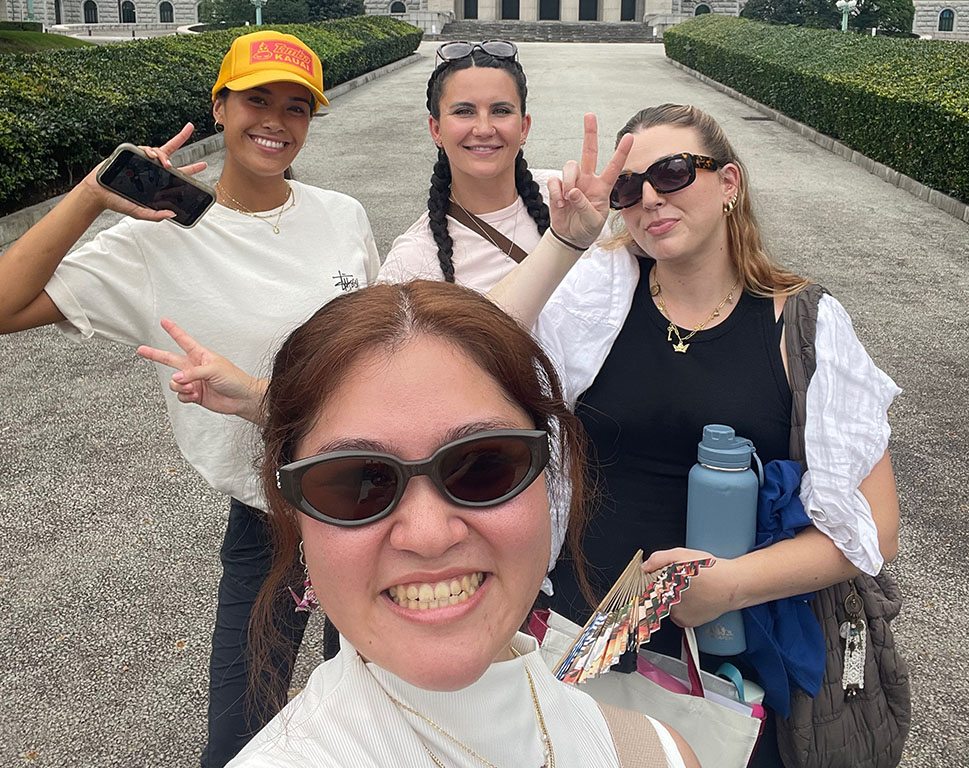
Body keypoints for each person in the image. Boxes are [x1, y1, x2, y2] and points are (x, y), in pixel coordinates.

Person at [0, 31, 378, 767]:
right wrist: (91, 196)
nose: (276, 121)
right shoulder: (152, 240)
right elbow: (6, 305)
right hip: (272, 524)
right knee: (240, 741)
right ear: (220, 106)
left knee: (377, 724)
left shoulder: (342, 215)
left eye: (297, 107)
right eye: (257, 99)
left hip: (378, 499)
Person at [489, 103, 901, 767]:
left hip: (729, 655)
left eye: (674, 173)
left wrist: (730, 586)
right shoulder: (599, 294)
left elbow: (875, 530)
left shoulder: (805, 326)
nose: (650, 197)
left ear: (729, 183)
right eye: (630, 188)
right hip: (587, 629)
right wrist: (565, 242)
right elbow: (477, 349)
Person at [226, 280, 700, 768]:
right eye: (356, 484)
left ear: (548, 483)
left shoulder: (657, 754)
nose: (429, 535)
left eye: (483, 467)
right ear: (296, 516)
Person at [378, 40, 556, 290]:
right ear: (436, 129)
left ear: (524, 127)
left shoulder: (568, 200)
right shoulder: (411, 263)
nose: (484, 129)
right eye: (464, 112)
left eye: (501, 111)